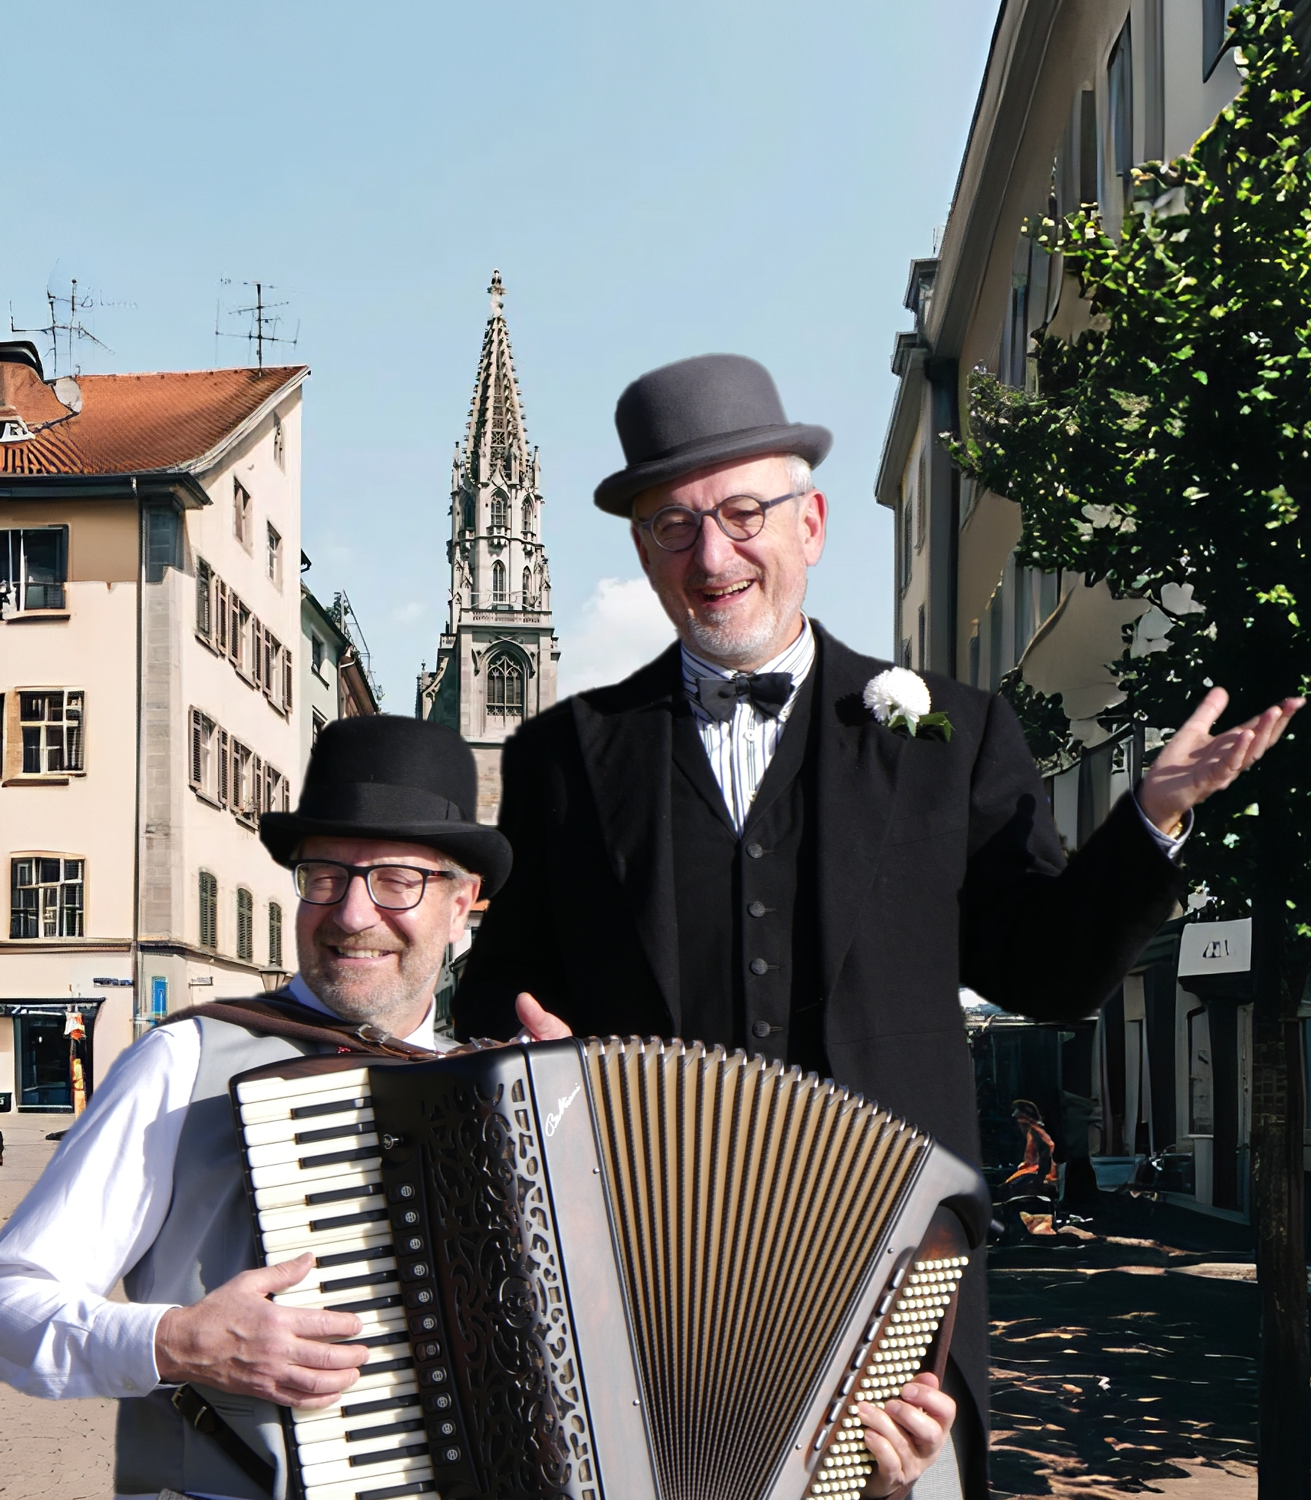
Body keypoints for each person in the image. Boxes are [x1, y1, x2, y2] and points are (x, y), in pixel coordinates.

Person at [454, 352, 1302, 1499]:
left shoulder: (949, 733)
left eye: (742, 513)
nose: (712, 557)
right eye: (672, 526)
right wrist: (518, 1044)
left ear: (808, 522)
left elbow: (1050, 972)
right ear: (644, 553)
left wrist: (1147, 822)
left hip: (894, 1289)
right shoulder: (562, 757)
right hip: (643, 1291)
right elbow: (492, 994)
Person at [0, 716, 547, 1500]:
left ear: (462, 907)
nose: (353, 914)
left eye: (398, 879)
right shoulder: (183, 1062)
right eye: (325, 875)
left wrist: (573, 1114)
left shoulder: (497, 1087)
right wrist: (172, 1342)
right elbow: (13, 1302)